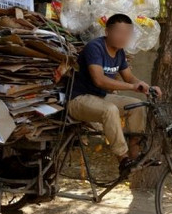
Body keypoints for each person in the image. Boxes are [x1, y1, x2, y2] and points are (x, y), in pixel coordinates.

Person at [67, 13, 162, 174]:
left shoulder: (119, 53)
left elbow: (129, 77)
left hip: (100, 97)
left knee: (137, 106)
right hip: (78, 100)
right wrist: (132, 86)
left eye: (127, 34)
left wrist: (146, 86)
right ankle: (123, 159)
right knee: (110, 110)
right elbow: (99, 80)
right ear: (107, 32)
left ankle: (135, 155)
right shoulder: (95, 48)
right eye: (119, 32)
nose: (123, 37)